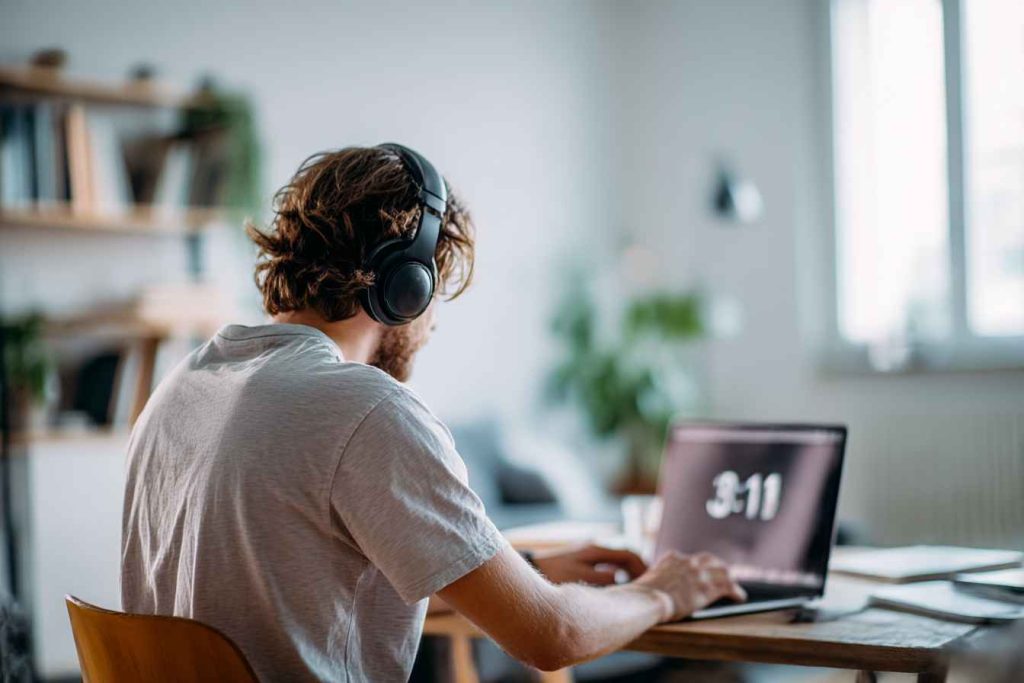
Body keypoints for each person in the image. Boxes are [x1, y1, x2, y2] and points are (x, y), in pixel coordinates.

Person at [121, 144, 746, 682]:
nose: (433, 320)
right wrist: (664, 592)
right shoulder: (363, 408)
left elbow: (286, 586)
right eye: (434, 294)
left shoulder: (183, 385)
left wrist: (517, 574)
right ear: (404, 287)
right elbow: (551, 635)